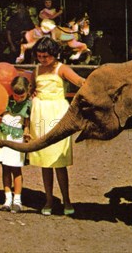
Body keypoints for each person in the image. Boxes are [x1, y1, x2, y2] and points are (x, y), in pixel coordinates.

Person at [29, 37, 85, 216]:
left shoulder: (62, 68)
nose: (42, 59)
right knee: (45, 161)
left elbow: (81, 83)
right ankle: (49, 200)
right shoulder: (36, 69)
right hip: (40, 114)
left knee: (59, 161)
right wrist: (32, 96)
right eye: (39, 56)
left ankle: (67, 200)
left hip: (57, 114)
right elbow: (31, 89)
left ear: (54, 54)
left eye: (45, 56)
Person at [0, 76, 31, 213]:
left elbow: (27, 124)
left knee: (16, 169)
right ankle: (7, 198)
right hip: (3, 135)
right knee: (5, 168)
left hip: (16, 139)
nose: (18, 99)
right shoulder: (6, 99)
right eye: (16, 95)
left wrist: (26, 133)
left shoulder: (28, 104)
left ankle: (17, 199)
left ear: (27, 91)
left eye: (22, 96)